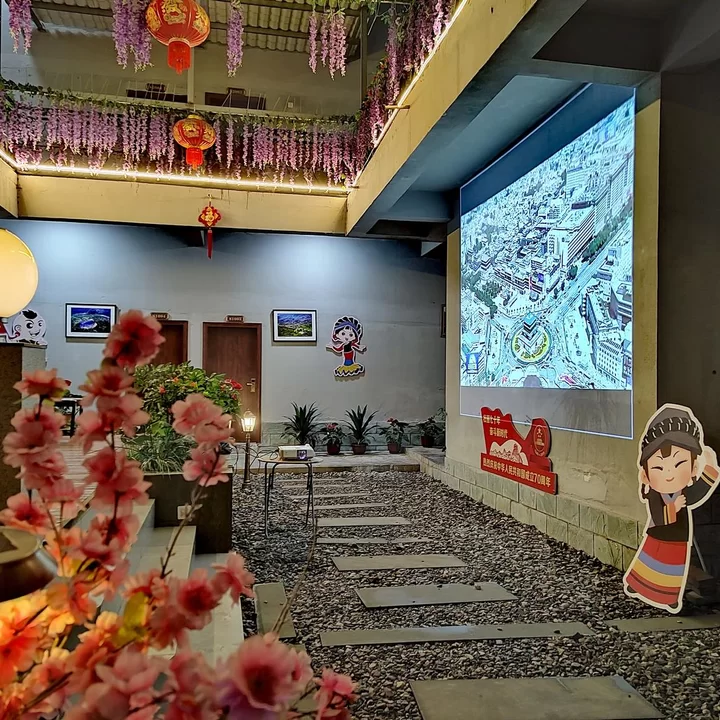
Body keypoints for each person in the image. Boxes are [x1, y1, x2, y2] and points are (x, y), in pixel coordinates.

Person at [624, 405, 719, 613]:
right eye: (659, 467)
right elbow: (657, 514)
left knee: (674, 568)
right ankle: (636, 584)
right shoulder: (654, 495)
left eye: (679, 464)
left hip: (678, 538)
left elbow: (697, 493)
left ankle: (670, 596)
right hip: (658, 536)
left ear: (694, 467)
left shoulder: (684, 493)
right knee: (648, 562)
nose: (669, 474)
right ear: (645, 474)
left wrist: (710, 469)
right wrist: (672, 508)